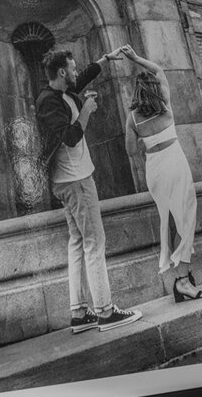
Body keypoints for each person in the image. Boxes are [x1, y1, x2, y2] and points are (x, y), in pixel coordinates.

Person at [36, 48, 142, 333]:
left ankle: (79, 313)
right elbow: (70, 138)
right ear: (60, 72)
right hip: (76, 182)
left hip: (70, 180)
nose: (74, 72)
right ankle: (106, 312)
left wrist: (105, 60)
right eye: (71, 68)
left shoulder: (61, 93)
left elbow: (81, 80)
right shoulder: (48, 102)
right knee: (95, 242)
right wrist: (86, 112)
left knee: (78, 243)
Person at [119, 45, 202, 302]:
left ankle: (179, 277)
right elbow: (158, 69)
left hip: (155, 170)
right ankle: (183, 281)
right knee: (186, 220)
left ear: (136, 92)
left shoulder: (132, 118)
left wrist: (139, 133)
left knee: (168, 220)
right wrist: (135, 58)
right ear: (156, 88)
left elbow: (131, 152)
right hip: (175, 164)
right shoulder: (166, 107)